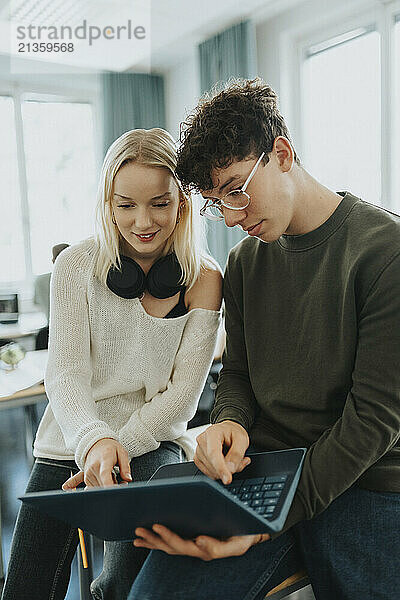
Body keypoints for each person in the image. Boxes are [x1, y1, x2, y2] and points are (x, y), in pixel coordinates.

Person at [128, 79, 400, 600]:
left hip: (366, 480)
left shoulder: (384, 253)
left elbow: (375, 420)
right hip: (265, 468)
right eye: (216, 203)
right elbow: (238, 373)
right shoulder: (245, 263)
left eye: (235, 189)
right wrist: (228, 420)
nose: (232, 217)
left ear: (281, 153)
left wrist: (268, 519)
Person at [1, 128, 222, 600]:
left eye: (159, 203)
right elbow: (65, 375)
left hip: (153, 440)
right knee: (25, 588)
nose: (142, 221)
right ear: (108, 204)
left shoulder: (204, 277)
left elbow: (183, 400)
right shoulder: (76, 266)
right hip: (72, 438)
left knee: (122, 585)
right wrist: (94, 440)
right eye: (126, 205)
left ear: (182, 202)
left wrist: (116, 444)